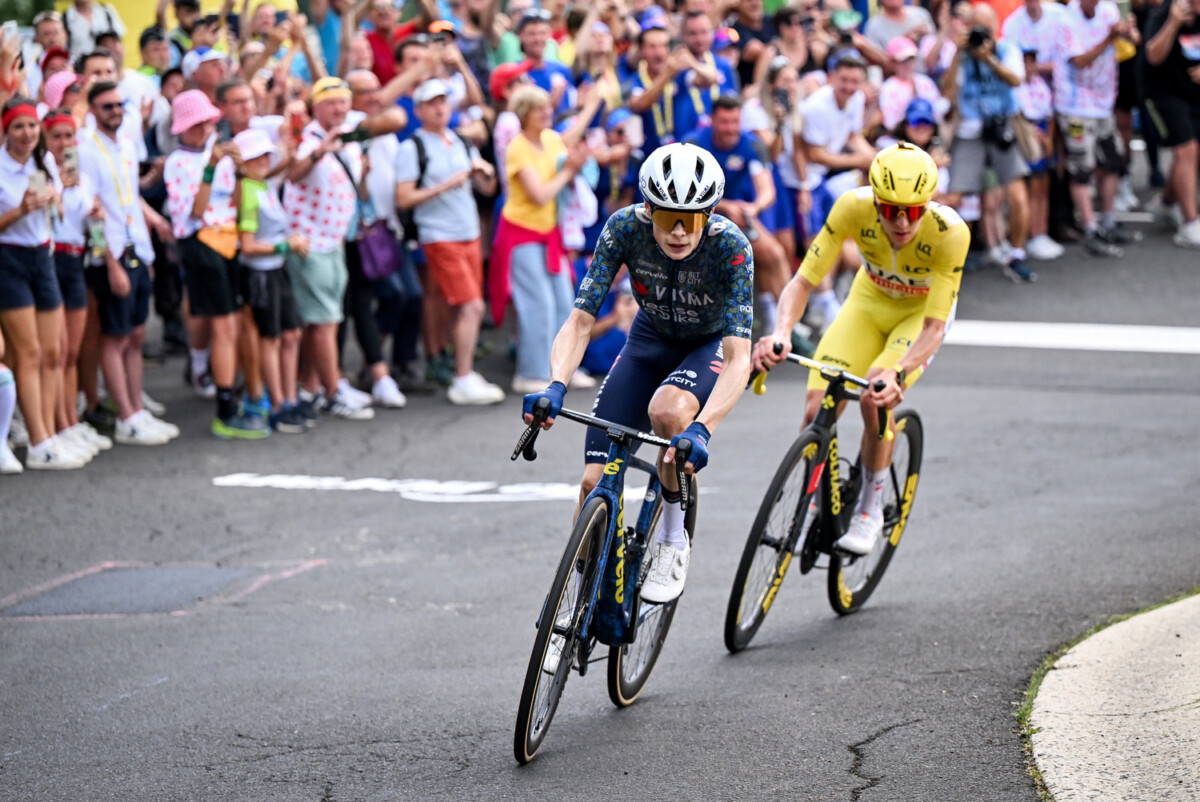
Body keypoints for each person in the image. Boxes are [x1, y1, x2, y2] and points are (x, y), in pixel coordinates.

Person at [521, 142, 754, 606]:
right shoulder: (625, 227)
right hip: (648, 339)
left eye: (695, 216)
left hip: (705, 344)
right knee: (592, 483)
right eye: (669, 216)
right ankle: (575, 600)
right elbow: (580, 320)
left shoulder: (731, 247)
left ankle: (672, 537)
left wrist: (704, 428)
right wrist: (556, 383)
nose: (683, 231)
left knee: (668, 412)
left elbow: (737, 358)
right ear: (648, 209)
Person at [754, 143, 969, 557]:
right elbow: (802, 281)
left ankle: (870, 508)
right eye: (890, 210)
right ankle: (812, 506)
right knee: (816, 408)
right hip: (867, 303)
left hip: (918, 316)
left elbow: (935, 326)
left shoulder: (951, 232)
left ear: (928, 204)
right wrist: (781, 330)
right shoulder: (851, 207)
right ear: (875, 201)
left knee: (874, 395)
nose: (903, 221)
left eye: (914, 210)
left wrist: (898, 372)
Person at [78, 80, 178, 446]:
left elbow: (128, 194)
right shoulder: (86, 151)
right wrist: (110, 264)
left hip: (137, 248)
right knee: (115, 336)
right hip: (113, 255)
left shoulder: (126, 143)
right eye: (107, 106)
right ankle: (125, 415)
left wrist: (152, 220)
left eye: (119, 105)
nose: (116, 111)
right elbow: (93, 214)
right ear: (92, 110)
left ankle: (136, 409)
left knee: (135, 334)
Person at [166, 89, 270, 439]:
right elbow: (196, 211)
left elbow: (238, 206)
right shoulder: (178, 162)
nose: (207, 128)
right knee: (224, 327)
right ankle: (225, 409)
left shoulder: (223, 156)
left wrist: (240, 171)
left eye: (209, 121)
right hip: (201, 243)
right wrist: (211, 168)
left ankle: (228, 398)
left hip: (227, 243)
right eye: (199, 123)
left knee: (233, 326)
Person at [396, 78, 506, 406]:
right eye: (432, 103)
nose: (440, 107)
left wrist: (484, 174)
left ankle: (464, 371)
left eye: (443, 101)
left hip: (468, 232)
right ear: (419, 111)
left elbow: (487, 190)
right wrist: (446, 185)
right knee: (472, 306)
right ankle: (461, 377)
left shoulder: (459, 140)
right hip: (439, 235)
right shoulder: (411, 147)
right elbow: (403, 198)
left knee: (466, 305)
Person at [492, 84, 598, 394]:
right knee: (537, 305)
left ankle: (563, 370)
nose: (547, 112)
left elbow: (570, 138)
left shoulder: (550, 140)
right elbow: (539, 195)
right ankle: (531, 372)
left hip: (548, 235)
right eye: (540, 108)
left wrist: (590, 107)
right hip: (521, 235)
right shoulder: (517, 147)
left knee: (565, 304)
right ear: (525, 113)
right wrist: (570, 171)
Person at [283, 76, 374, 421]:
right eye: (331, 102)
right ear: (316, 107)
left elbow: (359, 193)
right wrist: (321, 150)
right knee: (323, 321)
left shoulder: (349, 141)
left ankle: (314, 386)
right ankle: (334, 391)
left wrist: (364, 173)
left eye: (343, 101)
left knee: (324, 320)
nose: (339, 108)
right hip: (310, 243)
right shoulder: (307, 140)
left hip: (334, 241)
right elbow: (293, 173)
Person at [0, 99, 82, 469]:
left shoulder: (44, 162)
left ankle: (51, 434)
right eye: (19, 127)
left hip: (42, 255)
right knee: (28, 353)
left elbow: (57, 216)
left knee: (53, 352)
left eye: (32, 126)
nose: (27, 134)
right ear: (6, 130)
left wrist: (55, 199)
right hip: (9, 258)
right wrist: (19, 210)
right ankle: (38, 440)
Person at [939, 4, 1034, 281]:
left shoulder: (1007, 49)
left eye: (986, 29)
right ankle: (939, 254)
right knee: (952, 198)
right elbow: (946, 90)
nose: (981, 34)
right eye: (975, 28)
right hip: (970, 130)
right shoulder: (959, 52)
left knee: (1018, 195)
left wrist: (989, 58)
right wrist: (959, 51)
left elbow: (1016, 80)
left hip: (1001, 127)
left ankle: (1017, 254)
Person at [685, 95, 788, 337]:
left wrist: (754, 208)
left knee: (775, 254)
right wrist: (724, 206)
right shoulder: (692, 145)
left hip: (740, 218)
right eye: (724, 122)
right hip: (699, 218)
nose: (731, 128)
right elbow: (686, 193)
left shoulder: (751, 145)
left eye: (735, 122)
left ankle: (785, 324)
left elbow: (767, 191)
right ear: (712, 121)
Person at [44, 108, 112, 454]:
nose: (63, 143)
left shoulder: (79, 177)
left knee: (71, 351)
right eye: (56, 136)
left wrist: (95, 218)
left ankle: (70, 420)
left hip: (76, 260)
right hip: (52, 259)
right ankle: (56, 423)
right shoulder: (43, 176)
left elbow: (89, 229)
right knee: (56, 352)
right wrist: (61, 192)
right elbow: (48, 222)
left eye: (69, 136)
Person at [1049, 0, 1141, 255]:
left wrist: (1127, 32)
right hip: (1075, 106)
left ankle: (1109, 221)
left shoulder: (1109, 10)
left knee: (1113, 161)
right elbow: (1079, 61)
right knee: (1082, 168)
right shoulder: (1067, 20)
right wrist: (1109, 38)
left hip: (1103, 102)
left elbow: (1135, 41)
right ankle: (1090, 228)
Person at [234, 128, 310, 434]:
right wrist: (285, 245)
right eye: (256, 156)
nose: (263, 160)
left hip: (277, 269)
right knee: (271, 338)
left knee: (291, 334)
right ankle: (277, 403)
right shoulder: (249, 192)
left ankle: (289, 397)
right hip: (260, 272)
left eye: (265, 154)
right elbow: (248, 245)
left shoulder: (261, 184)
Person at [1143, 0, 1200, 248]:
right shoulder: (1163, 14)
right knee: (1187, 149)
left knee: (1189, 154)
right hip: (1162, 94)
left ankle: (1167, 202)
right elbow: (1153, 55)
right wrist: (1174, 23)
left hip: (1192, 95)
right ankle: (1189, 224)